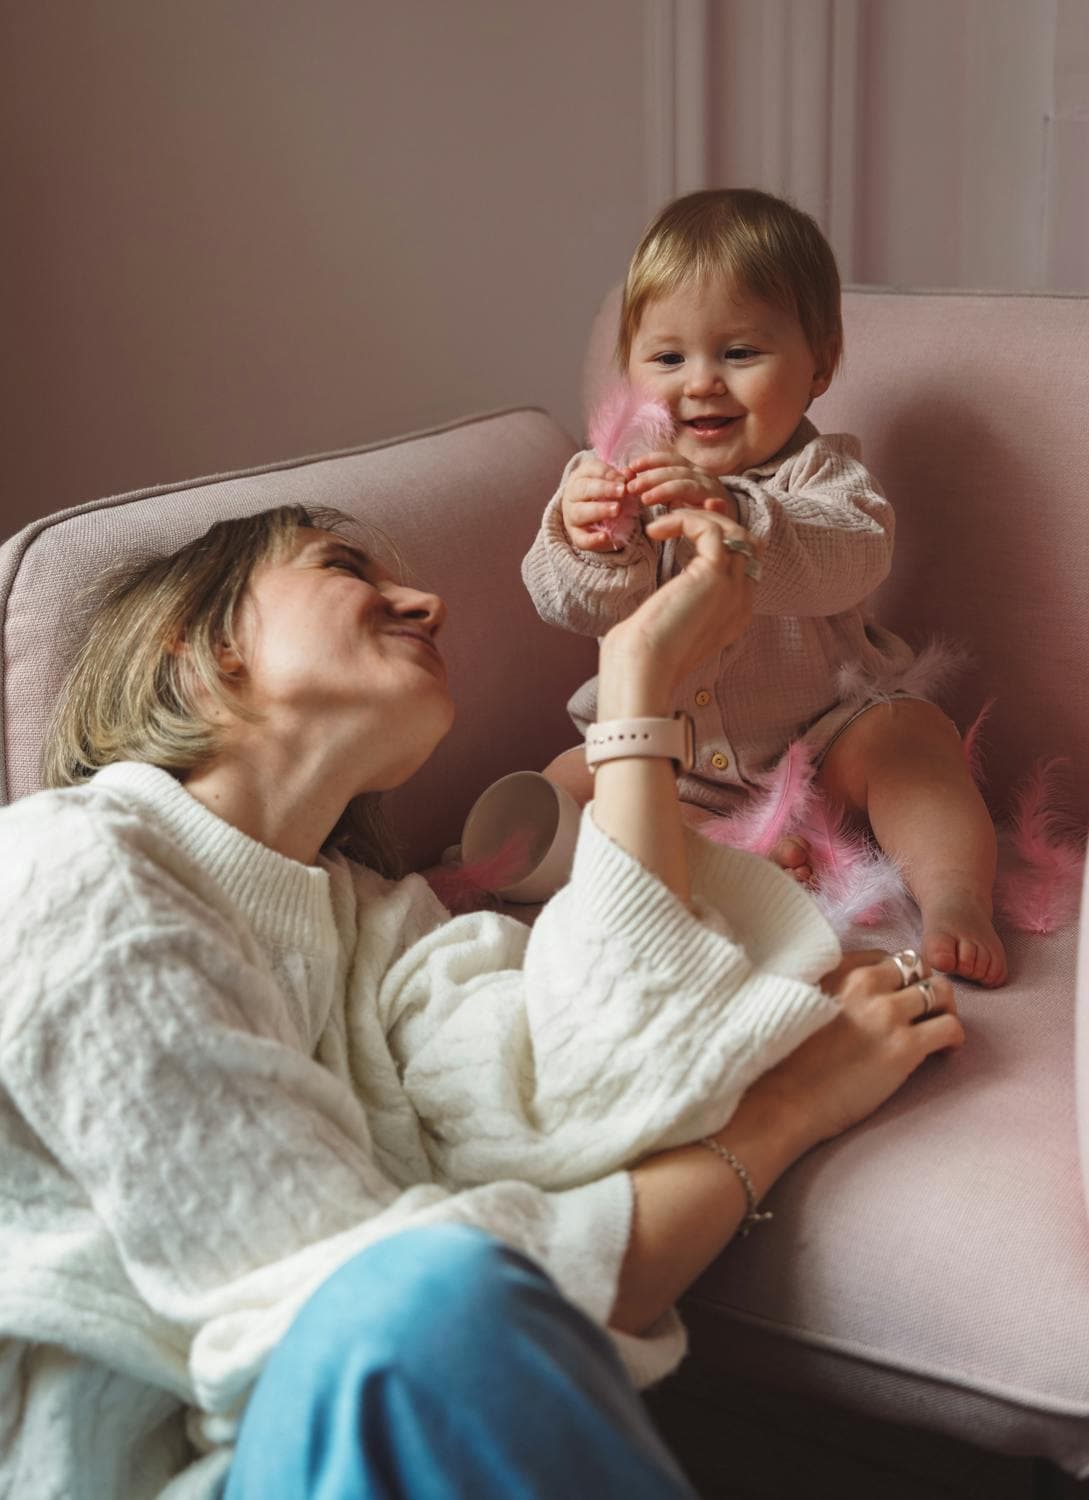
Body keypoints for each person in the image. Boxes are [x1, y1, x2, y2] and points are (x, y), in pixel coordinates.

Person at [0, 501, 962, 1500]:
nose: (427, 603)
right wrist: (786, 1112)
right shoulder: (74, 868)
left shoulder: (384, 933)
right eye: (342, 567)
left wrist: (643, 694)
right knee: (426, 1303)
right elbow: (380, 1314)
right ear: (205, 647)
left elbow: (612, 1084)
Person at [522, 187, 1006, 987]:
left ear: (818, 363)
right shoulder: (611, 483)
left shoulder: (826, 472)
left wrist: (738, 512)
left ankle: (955, 897)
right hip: (670, 760)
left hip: (827, 736)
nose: (701, 383)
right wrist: (586, 542)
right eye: (668, 358)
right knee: (565, 789)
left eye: (739, 353)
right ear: (629, 371)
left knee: (910, 743)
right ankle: (739, 862)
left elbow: (849, 557)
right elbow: (567, 604)